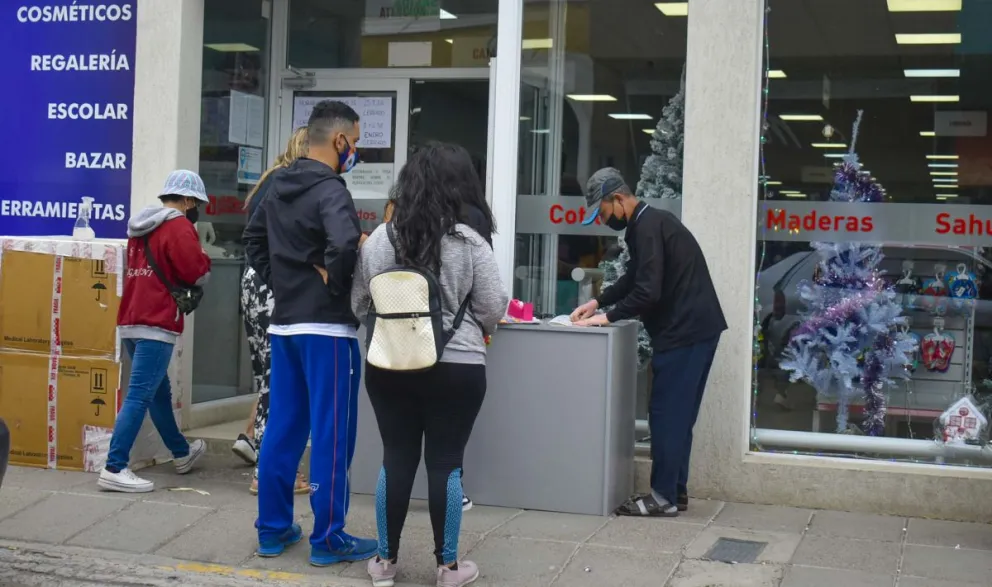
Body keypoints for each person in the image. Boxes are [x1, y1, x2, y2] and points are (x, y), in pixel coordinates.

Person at [352, 142, 509, 587]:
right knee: (446, 463)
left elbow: (359, 302)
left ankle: (385, 563)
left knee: (396, 458)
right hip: (458, 365)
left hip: (389, 364)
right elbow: (493, 306)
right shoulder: (469, 241)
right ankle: (449, 568)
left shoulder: (380, 239)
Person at [243, 100, 376, 565]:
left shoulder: (278, 183)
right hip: (328, 331)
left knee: (282, 428)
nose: (355, 150)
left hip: (285, 327)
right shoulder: (331, 189)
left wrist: (287, 280)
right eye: (354, 142)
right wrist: (334, 285)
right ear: (339, 140)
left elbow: (253, 241)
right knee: (332, 433)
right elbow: (343, 243)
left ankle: (272, 529)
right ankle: (329, 538)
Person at [570, 167, 726, 517]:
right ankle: (675, 491)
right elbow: (634, 278)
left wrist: (605, 318)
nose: (604, 221)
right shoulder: (649, 223)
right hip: (696, 330)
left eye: (603, 213)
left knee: (667, 414)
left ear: (618, 199)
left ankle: (662, 497)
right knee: (678, 415)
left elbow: (647, 291)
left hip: (685, 332)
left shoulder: (647, 227)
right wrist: (598, 302)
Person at [98, 170, 212, 493]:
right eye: (196, 203)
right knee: (140, 394)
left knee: (157, 392)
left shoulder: (140, 227)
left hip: (131, 319)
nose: (196, 209)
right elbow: (195, 272)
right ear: (187, 200)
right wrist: (206, 261)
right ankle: (114, 466)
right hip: (157, 321)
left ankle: (181, 452)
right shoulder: (179, 227)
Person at [232, 127, 311, 496]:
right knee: (277, 381)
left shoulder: (271, 179)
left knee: (270, 379)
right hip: (271, 286)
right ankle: (269, 471)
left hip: (255, 284)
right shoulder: (287, 183)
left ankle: (271, 467)